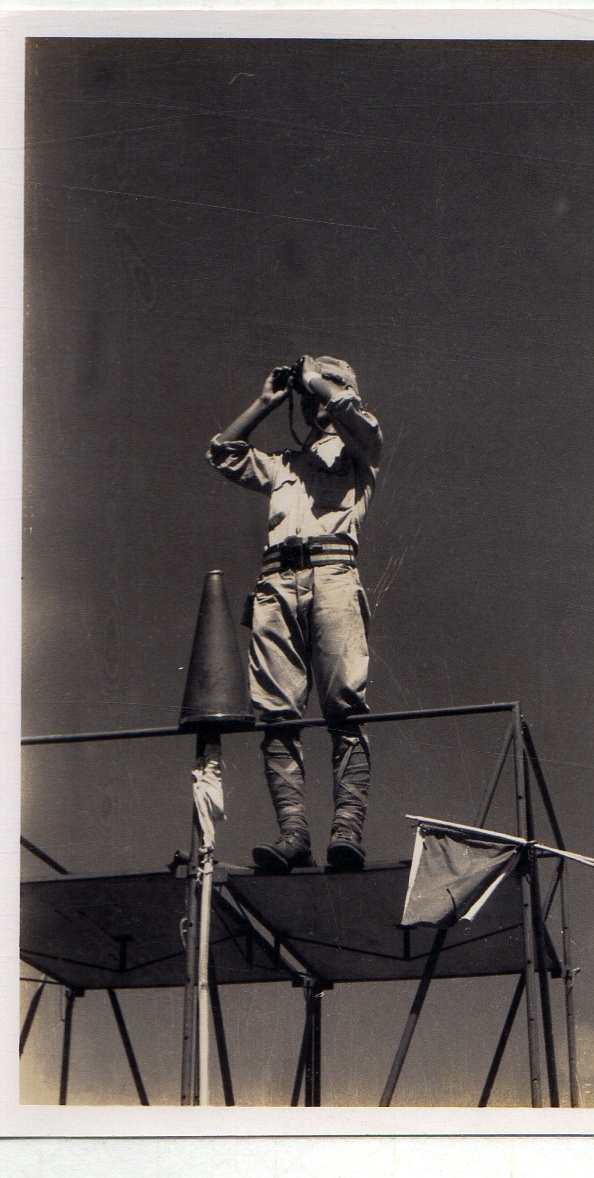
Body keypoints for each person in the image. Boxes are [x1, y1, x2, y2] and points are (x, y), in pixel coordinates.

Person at [207, 355, 382, 872]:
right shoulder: (284, 464)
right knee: (276, 711)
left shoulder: (361, 448)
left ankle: (346, 829)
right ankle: (293, 833)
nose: (312, 398)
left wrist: (313, 379)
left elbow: (349, 413)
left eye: (324, 386)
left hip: (333, 573)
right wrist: (266, 401)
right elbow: (224, 454)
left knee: (345, 703)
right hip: (276, 581)